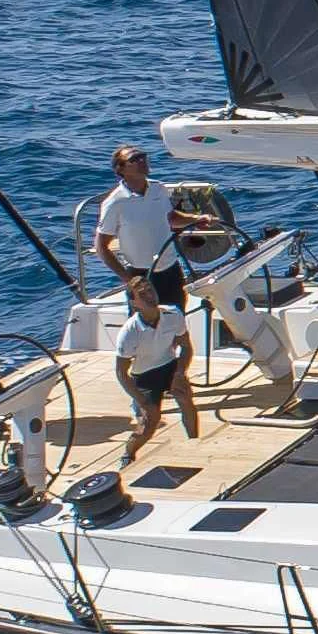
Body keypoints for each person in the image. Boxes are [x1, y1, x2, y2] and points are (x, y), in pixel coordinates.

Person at [93, 145, 215, 309]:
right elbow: (101, 246)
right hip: (141, 275)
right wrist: (129, 281)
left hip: (170, 269)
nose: (142, 161)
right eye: (134, 159)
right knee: (148, 326)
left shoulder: (158, 189)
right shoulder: (115, 203)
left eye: (143, 156)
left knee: (177, 320)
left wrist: (196, 219)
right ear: (121, 168)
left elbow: (170, 218)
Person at [115, 273, 199, 467]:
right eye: (143, 295)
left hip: (169, 366)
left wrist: (179, 374)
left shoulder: (173, 314)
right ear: (134, 303)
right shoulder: (130, 332)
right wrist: (141, 400)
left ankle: (195, 443)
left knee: (185, 398)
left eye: (151, 291)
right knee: (150, 422)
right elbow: (121, 372)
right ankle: (128, 453)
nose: (150, 297)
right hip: (144, 377)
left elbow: (186, 347)